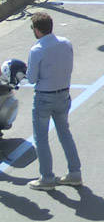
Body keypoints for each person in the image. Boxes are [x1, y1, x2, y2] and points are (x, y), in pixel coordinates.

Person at [25, 12, 81, 190]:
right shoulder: (66, 43)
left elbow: (32, 78)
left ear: (37, 30)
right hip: (63, 94)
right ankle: (75, 173)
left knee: (41, 138)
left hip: (44, 97)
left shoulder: (37, 50)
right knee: (65, 134)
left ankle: (47, 178)